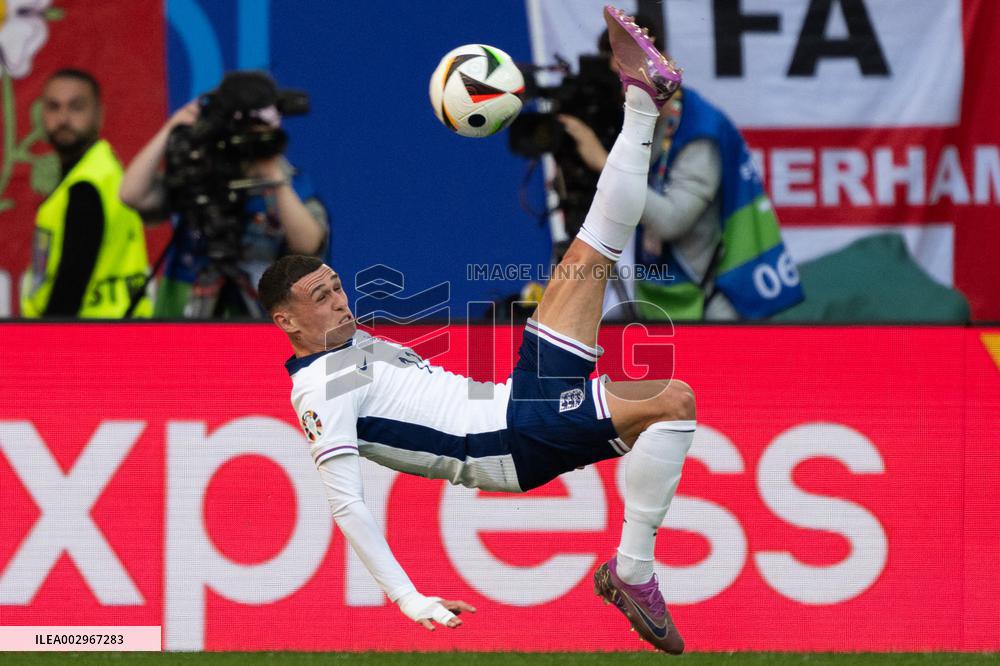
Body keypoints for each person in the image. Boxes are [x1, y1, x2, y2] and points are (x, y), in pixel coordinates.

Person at [260, 8, 693, 654]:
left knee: (595, 244)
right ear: (287, 322)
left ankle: (639, 102)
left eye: (336, 286)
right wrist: (409, 598)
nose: (340, 301)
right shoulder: (321, 387)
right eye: (320, 298)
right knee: (673, 401)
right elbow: (347, 505)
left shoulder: (349, 352)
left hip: (516, 398)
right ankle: (633, 573)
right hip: (509, 440)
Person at [559, 20, 803, 321]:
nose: (624, 89)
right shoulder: (635, 118)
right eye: (618, 78)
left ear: (662, 63)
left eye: (630, 74)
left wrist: (603, 163)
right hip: (659, 294)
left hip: (710, 302)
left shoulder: (700, 130)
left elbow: (672, 221)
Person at [120, 71, 328, 318]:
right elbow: (131, 194)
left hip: (260, 315)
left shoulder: (289, 183)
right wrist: (173, 126)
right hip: (184, 314)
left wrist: (273, 176)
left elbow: (309, 244)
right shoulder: (199, 177)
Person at [21, 69, 152, 318]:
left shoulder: (86, 185)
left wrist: (47, 336)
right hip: (115, 326)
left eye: (76, 107)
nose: (63, 118)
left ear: (99, 115)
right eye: (53, 106)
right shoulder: (100, 169)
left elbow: (70, 285)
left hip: (93, 333)